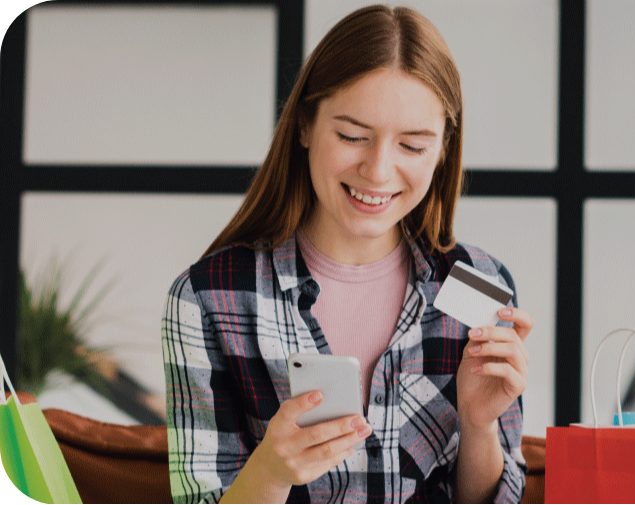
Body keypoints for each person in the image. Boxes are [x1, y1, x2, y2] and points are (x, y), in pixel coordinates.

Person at [162, 5, 533, 503]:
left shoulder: (475, 284)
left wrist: (478, 424)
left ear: (444, 148)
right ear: (304, 127)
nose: (378, 171)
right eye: (352, 136)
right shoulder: (210, 299)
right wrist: (271, 470)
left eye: (413, 146)